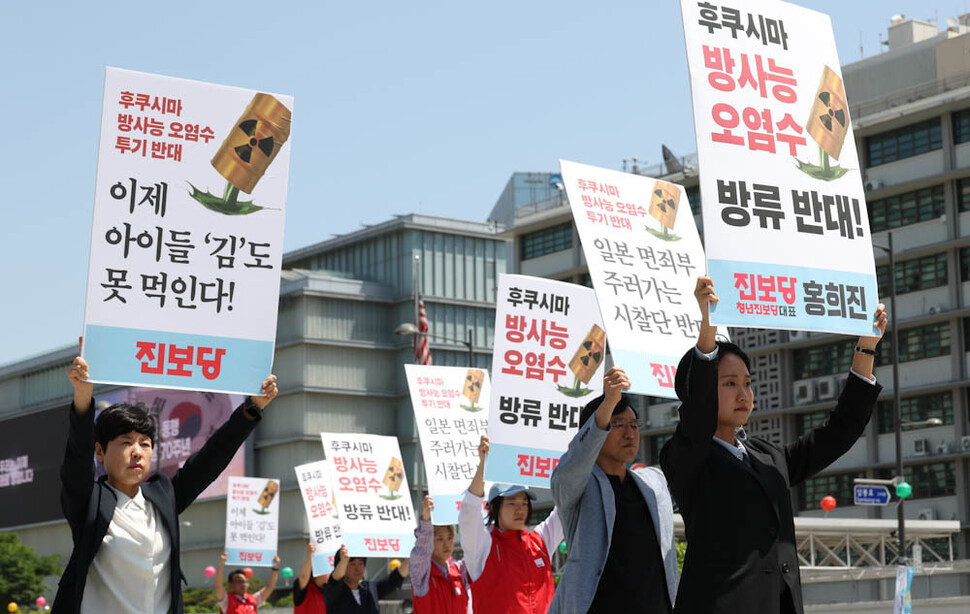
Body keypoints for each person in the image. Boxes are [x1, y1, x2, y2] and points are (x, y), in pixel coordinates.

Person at [660, 276, 886, 614]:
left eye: (748, 383)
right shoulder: (687, 457)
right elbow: (697, 415)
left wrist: (866, 348)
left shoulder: (768, 456)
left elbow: (838, 433)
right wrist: (708, 327)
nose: (743, 394)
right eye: (730, 383)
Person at [53, 348, 278, 614]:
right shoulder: (89, 501)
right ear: (100, 451)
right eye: (125, 442)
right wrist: (82, 399)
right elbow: (77, 461)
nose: (137, 451)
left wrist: (250, 410)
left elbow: (209, 460)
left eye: (145, 444)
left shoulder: (163, 495)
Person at [549, 367, 679, 614]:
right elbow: (571, 468)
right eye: (618, 424)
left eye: (634, 425)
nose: (630, 433)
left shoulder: (653, 483)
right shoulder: (578, 488)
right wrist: (609, 402)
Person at [458, 435, 563, 614]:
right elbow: (469, 511)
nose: (520, 509)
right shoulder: (483, 545)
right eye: (512, 503)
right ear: (495, 508)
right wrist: (484, 464)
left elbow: (566, 507)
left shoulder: (540, 541)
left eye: (524, 503)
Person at [408, 494, 469, 614]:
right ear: (430, 541)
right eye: (440, 539)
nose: (447, 544)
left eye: (450, 538)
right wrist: (426, 518)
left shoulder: (459, 572)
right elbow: (421, 550)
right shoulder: (422, 574)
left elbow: (478, 551)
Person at [322, 544, 409, 614]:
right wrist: (344, 560)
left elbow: (396, 578)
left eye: (361, 563)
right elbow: (335, 580)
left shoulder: (370, 589)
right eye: (353, 564)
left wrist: (413, 556)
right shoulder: (333, 593)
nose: (358, 568)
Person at [215, 551, 280, 614]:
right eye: (239, 581)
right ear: (231, 585)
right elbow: (219, 585)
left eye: (245, 581)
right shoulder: (226, 601)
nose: (243, 584)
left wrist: (275, 568)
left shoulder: (254, 599)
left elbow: (270, 587)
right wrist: (222, 563)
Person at [293, 542, 329, 614]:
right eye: (326, 569)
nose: (329, 572)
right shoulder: (305, 590)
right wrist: (310, 556)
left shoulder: (331, 591)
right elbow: (303, 577)